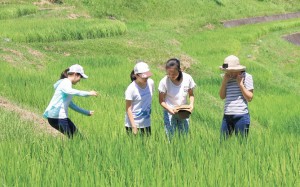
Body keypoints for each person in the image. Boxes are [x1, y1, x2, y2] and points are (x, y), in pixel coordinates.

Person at [43, 64, 97, 138]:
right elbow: (71, 91)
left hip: (57, 118)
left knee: (77, 138)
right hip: (58, 118)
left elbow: (71, 105)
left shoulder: (66, 84)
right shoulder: (66, 82)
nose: (80, 80)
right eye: (80, 77)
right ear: (75, 74)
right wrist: (89, 93)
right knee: (75, 139)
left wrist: (86, 112)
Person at [158, 58, 196, 141]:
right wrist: (169, 109)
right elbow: (161, 100)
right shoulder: (164, 82)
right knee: (170, 138)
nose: (171, 76)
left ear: (180, 70)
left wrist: (191, 105)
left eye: (174, 73)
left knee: (184, 137)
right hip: (170, 112)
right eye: (169, 74)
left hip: (183, 111)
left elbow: (191, 95)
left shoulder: (188, 78)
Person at [219, 55, 254, 140]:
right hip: (227, 115)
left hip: (241, 116)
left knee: (241, 144)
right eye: (227, 71)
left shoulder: (247, 77)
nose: (229, 73)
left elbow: (250, 97)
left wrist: (240, 84)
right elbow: (222, 96)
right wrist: (224, 82)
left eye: (231, 71)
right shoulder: (226, 77)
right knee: (222, 143)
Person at [125, 62, 154, 136]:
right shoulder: (131, 89)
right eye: (143, 77)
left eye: (147, 76)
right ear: (136, 75)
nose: (146, 78)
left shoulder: (151, 83)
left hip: (146, 122)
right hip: (133, 124)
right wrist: (134, 126)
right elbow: (128, 109)